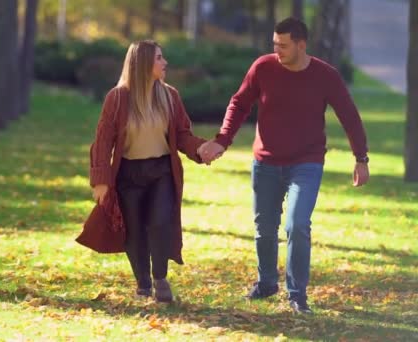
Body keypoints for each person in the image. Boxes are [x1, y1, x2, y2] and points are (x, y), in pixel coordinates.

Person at [198, 17, 370, 314]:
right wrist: (222, 140)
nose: (277, 49)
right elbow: (239, 103)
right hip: (265, 162)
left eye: (283, 45)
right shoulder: (263, 68)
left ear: (301, 45)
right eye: (274, 44)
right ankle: (267, 283)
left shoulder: (325, 75)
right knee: (264, 228)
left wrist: (361, 158)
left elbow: (349, 115)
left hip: (306, 163)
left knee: (297, 225)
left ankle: (297, 293)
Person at [88, 40, 208, 302]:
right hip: (128, 174)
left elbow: (182, 135)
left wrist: (201, 149)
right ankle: (143, 284)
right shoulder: (118, 98)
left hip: (161, 171)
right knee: (133, 231)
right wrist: (101, 180)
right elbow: (103, 140)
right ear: (143, 63)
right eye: (159, 58)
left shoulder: (170, 96)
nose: (165, 63)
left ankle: (160, 278)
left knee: (160, 222)